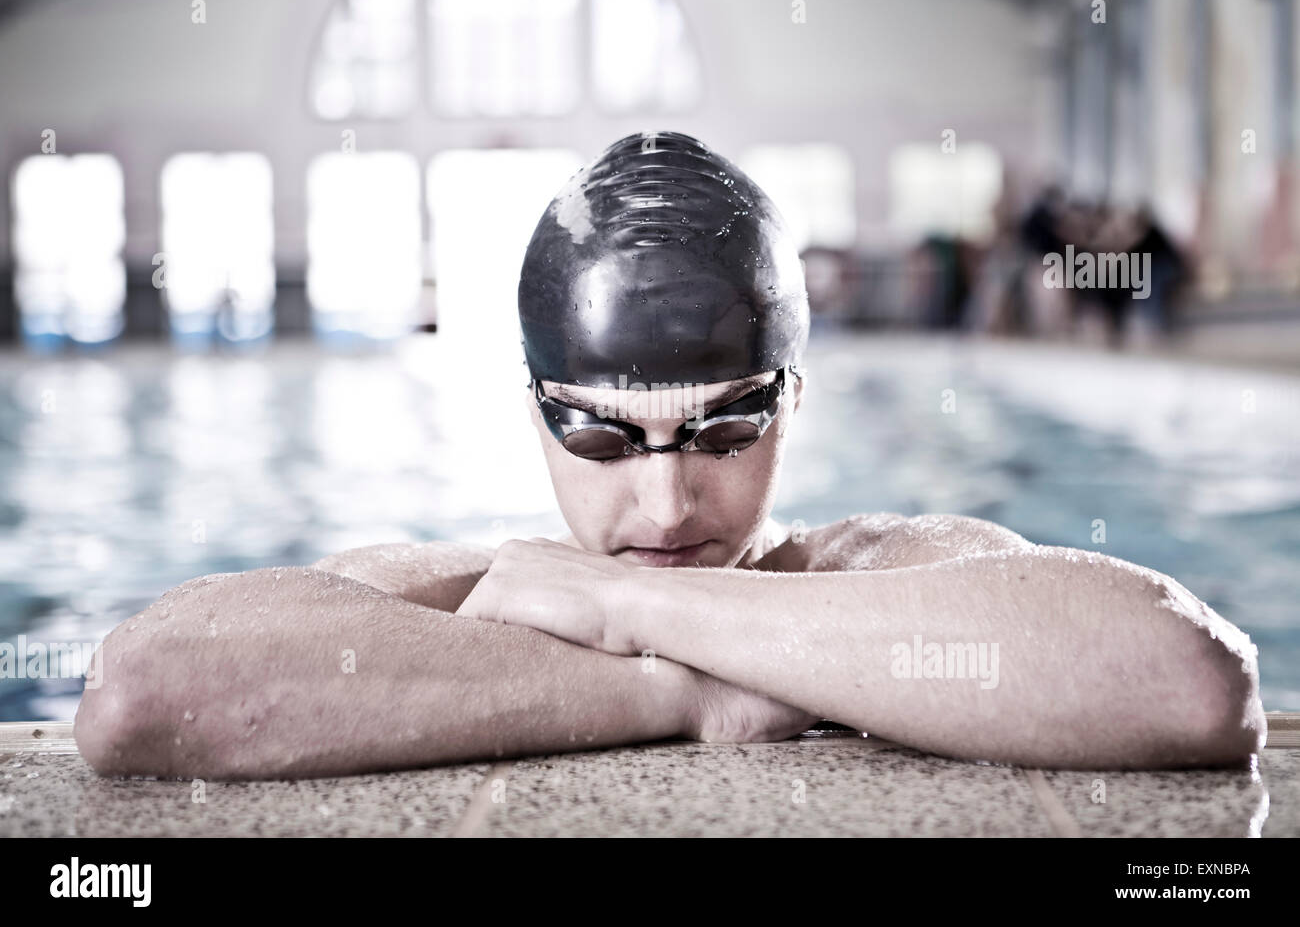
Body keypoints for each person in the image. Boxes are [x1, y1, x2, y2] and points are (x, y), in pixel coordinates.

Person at [73, 131, 1266, 780]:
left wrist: (625, 601)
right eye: (597, 430)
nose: (665, 498)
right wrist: (677, 686)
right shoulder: (469, 583)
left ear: (793, 402)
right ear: (535, 407)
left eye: (727, 425)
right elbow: (140, 694)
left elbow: (1188, 680)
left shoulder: (863, 564)